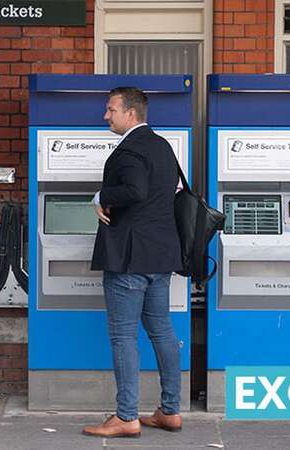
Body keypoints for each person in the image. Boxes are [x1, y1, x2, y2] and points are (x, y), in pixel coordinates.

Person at [82, 87, 183, 438]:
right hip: (160, 256)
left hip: (129, 259)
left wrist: (100, 196)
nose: (106, 116)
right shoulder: (162, 146)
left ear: (130, 113)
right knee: (162, 332)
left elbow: (135, 191)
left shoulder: (129, 150)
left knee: (123, 336)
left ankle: (126, 416)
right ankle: (170, 411)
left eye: (111, 109)